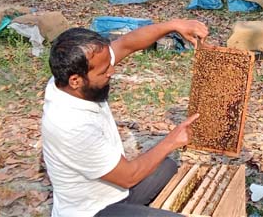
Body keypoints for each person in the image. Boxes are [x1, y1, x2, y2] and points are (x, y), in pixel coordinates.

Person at [42, 19, 208, 217]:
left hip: (113, 191)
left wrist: (173, 25)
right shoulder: (70, 126)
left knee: (167, 167)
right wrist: (172, 140)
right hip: (93, 210)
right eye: (104, 71)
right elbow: (129, 177)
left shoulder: (66, 79)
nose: (112, 71)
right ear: (76, 80)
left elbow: (127, 44)